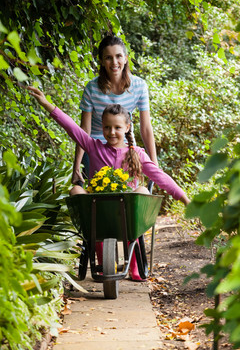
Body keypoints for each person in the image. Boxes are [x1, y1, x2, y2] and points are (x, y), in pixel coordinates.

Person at [28, 86, 190, 281]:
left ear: (127, 128)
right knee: (76, 190)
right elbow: (71, 127)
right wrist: (47, 104)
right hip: (99, 211)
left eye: (117, 127)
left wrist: (184, 198)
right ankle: (103, 258)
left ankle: (134, 263)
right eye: (107, 127)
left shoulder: (136, 154)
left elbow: (160, 176)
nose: (111, 132)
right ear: (102, 127)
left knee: (141, 190)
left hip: (128, 213)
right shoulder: (93, 147)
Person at [72, 34, 158, 187]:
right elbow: (84, 130)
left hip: (125, 145)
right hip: (96, 147)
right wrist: (76, 166)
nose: (114, 62)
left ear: (125, 58)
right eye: (108, 58)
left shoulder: (139, 86)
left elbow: (145, 128)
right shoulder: (92, 88)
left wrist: (154, 164)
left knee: (129, 191)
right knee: (98, 191)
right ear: (102, 61)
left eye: (118, 56)